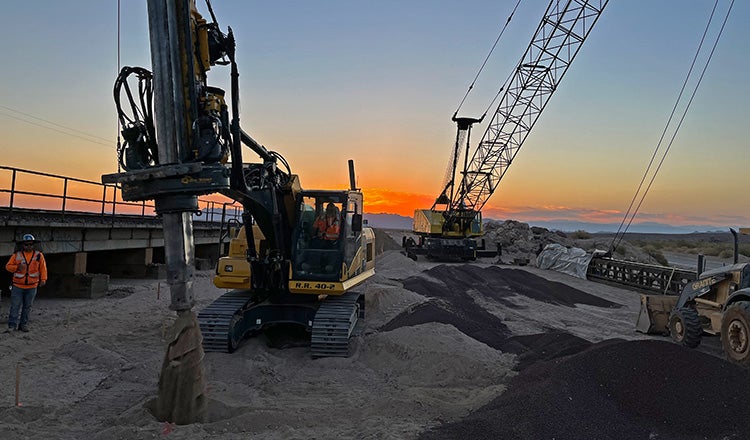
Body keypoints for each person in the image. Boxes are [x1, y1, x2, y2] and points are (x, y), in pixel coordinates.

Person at [5, 233, 47, 332]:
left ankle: (23, 325)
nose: (29, 246)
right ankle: (12, 326)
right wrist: (16, 267)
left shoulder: (39, 255)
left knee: (27, 307)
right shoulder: (17, 255)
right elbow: (8, 266)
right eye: (26, 244)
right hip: (17, 286)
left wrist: (43, 279)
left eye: (31, 244)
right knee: (15, 306)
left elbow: (43, 268)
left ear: (34, 245)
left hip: (32, 286)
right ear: (23, 245)